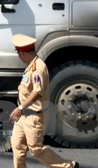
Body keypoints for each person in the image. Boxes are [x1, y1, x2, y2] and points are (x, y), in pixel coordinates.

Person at [9, 34, 79, 168]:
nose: (18, 55)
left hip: (33, 116)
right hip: (23, 116)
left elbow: (37, 92)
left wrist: (20, 108)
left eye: (18, 52)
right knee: (17, 147)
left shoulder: (38, 68)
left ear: (23, 53)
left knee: (35, 149)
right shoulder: (31, 65)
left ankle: (68, 166)